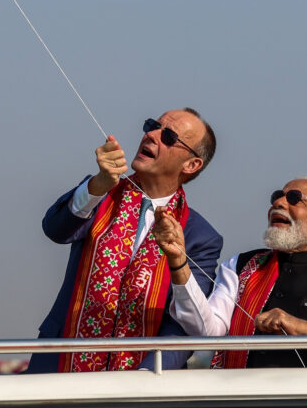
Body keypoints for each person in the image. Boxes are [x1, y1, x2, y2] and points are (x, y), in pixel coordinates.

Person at [27, 109, 222, 373]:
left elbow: (184, 326)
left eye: (168, 136)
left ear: (191, 165)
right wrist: (98, 185)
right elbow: (55, 229)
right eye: (152, 126)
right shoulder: (102, 192)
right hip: (61, 366)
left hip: (144, 381)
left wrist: (144, 378)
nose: (151, 135)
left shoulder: (200, 236)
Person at [153, 176, 307, 368]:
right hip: (241, 407)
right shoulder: (240, 266)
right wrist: (178, 262)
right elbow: (205, 332)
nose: (278, 203)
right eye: (278, 196)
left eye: (295, 198)